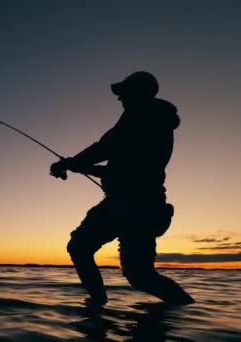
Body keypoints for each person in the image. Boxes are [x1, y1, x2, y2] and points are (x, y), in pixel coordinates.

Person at [50, 71, 194, 306]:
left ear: (139, 92)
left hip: (135, 204)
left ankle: (99, 304)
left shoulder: (142, 115)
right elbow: (124, 168)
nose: (119, 98)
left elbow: (105, 147)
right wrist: (80, 166)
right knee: (86, 249)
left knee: (137, 274)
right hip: (129, 202)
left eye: (123, 92)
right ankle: (98, 304)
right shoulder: (150, 119)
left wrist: (69, 163)